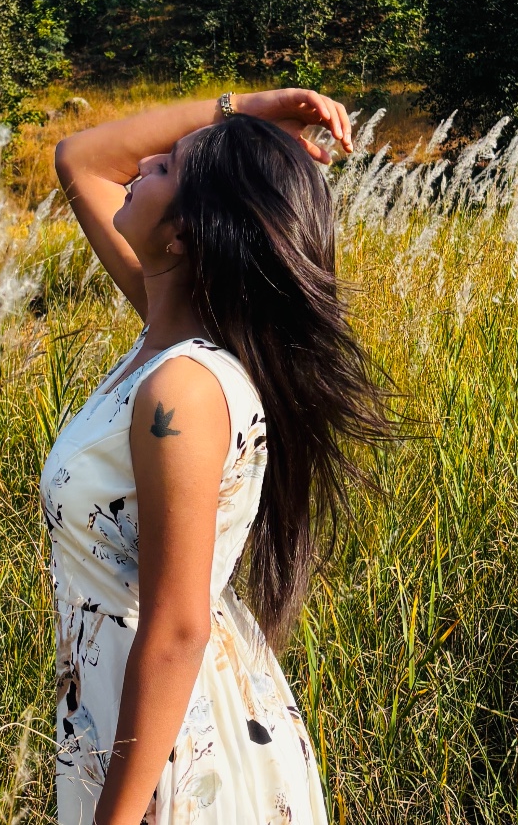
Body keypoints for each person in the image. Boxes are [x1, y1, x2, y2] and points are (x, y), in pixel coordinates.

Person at [40, 88, 386, 825]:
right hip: (129, 723)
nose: (143, 163)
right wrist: (248, 108)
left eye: (166, 168)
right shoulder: (167, 344)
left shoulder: (185, 389)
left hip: (173, 750)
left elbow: (178, 626)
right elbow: (79, 160)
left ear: (185, 233)